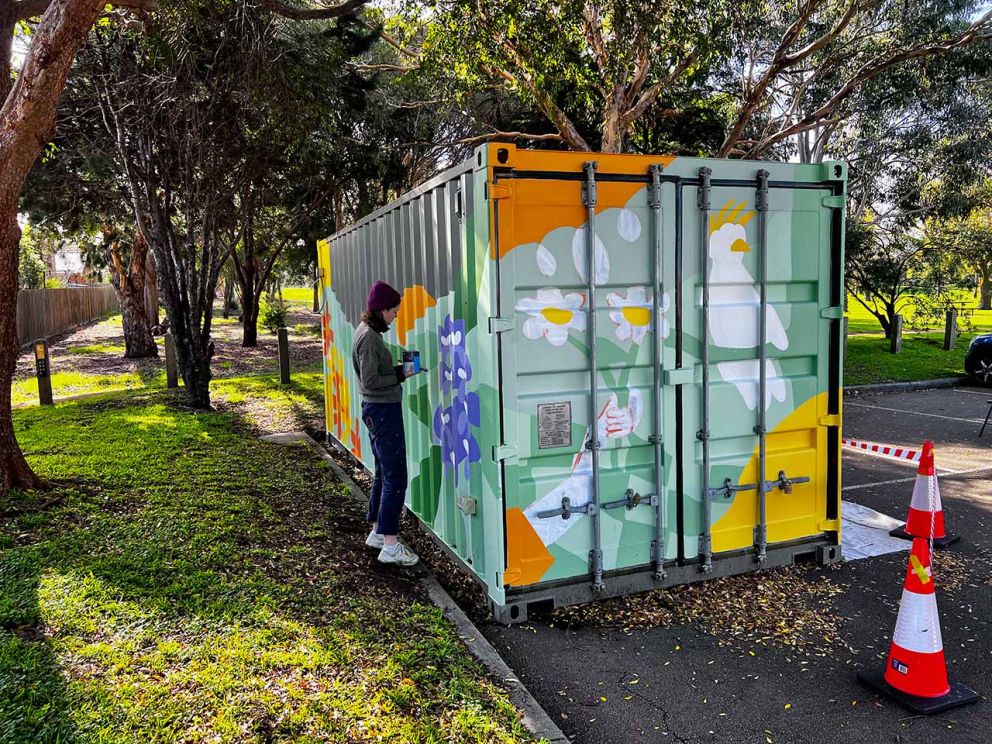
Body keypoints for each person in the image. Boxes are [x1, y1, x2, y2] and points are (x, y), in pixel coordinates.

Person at [352, 280, 421, 566]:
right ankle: (390, 546)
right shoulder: (369, 337)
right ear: (381, 310)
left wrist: (399, 372)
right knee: (396, 477)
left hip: (376, 410)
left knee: (383, 470)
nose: (395, 315)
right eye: (393, 311)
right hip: (382, 411)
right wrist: (401, 376)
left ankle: (378, 532)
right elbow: (370, 381)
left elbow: (374, 374)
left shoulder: (367, 332)